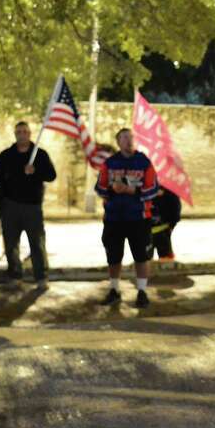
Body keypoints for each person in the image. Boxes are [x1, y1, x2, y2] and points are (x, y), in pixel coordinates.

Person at [95, 128, 158, 308]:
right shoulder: (110, 163)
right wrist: (111, 189)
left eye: (130, 137)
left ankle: (142, 292)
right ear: (118, 142)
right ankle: (114, 290)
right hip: (114, 218)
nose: (128, 140)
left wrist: (133, 190)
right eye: (124, 137)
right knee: (113, 257)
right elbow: (99, 188)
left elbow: (153, 189)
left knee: (141, 256)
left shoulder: (143, 162)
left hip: (139, 218)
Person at [0, 123, 56, 288]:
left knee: (37, 243)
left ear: (30, 134)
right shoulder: (7, 155)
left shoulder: (40, 154)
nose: (22, 134)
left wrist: (36, 172)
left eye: (25, 131)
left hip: (33, 207)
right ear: (15, 134)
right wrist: (11, 177)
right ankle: (15, 276)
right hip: (10, 205)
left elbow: (51, 175)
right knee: (11, 243)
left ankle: (41, 277)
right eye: (19, 132)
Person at [150, 186, 181, 262]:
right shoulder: (170, 193)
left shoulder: (169, 194)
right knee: (144, 259)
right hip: (149, 231)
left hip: (162, 230)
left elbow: (175, 210)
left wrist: (171, 225)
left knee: (166, 258)